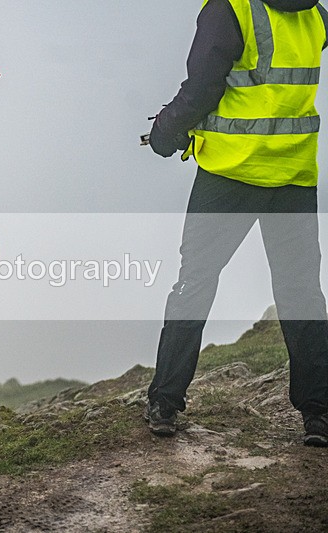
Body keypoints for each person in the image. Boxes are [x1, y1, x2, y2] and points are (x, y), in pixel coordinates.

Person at [145, 0, 328, 444]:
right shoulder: (316, 14)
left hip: (228, 175)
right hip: (293, 174)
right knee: (301, 292)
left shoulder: (229, 9)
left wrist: (165, 132)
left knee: (195, 283)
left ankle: (165, 403)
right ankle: (319, 413)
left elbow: (204, 86)